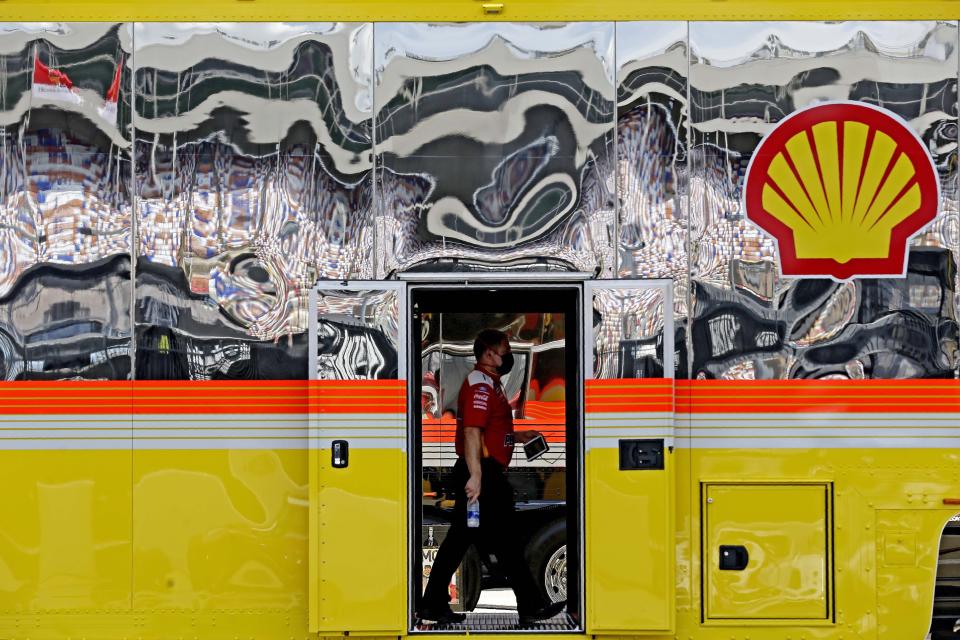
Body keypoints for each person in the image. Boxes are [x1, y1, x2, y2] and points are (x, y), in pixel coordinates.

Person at [418, 329, 566, 625]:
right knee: (503, 541)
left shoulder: (490, 384)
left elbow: (488, 429)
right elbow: (472, 432)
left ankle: (434, 603)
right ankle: (531, 604)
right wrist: (475, 476)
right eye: (504, 350)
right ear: (488, 354)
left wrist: (518, 434)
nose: (508, 355)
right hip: (484, 475)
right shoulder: (479, 386)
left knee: (468, 540)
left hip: (485, 472)